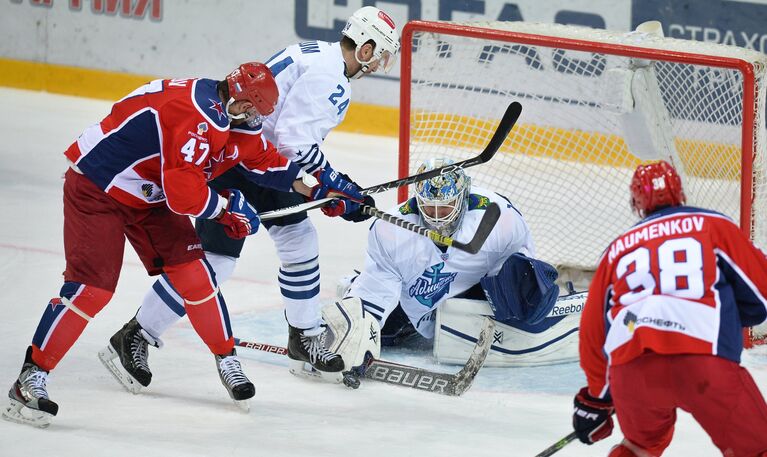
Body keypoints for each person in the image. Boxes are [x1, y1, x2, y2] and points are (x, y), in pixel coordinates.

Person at [2, 62, 364, 428]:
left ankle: (227, 361)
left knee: (198, 277)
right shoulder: (194, 116)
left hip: (148, 192)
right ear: (240, 103)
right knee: (91, 289)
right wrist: (226, 210)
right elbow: (182, 196)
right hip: (99, 184)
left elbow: (265, 161)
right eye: (255, 112)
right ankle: (30, 380)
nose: (257, 121)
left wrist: (319, 189)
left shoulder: (229, 112)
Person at [102, 5, 401, 386]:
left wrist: (330, 186)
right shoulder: (329, 76)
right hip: (239, 163)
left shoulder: (319, 55)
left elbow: (284, 142)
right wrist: (334, 182)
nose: (380, 63)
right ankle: (136, 333)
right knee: (214, 262)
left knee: (299, 240)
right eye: (381, 53)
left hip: (264, 162)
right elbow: (294, 143)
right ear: (364, 47)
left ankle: (304, 336)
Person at [571, 160, 767, 456]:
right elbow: (761, 293)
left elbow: (593, 334)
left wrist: (596, 400)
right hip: (704, 364)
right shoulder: (714, 225)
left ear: (636, 202)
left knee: (639, 447)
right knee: (757, 447)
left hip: (633, 370)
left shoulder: (616, 250)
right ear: (679, 192)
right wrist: (735, 316)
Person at [328, 157, 578, 370]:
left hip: (476, 286)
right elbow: (378, 288)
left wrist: (528, 294)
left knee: (518, 294)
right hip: (419, 300)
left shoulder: (498, 216)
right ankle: (353, 287)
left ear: (463, 198)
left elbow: (522, 269)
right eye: (429, 208)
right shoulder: (390, 230)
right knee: (386, 336)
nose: (436, 218)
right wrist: (358, 334)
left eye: (445, 208)